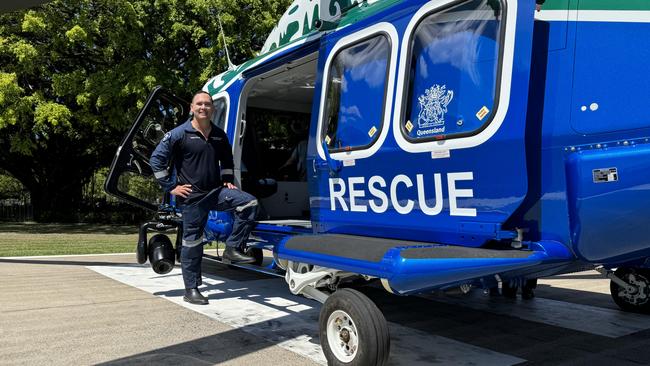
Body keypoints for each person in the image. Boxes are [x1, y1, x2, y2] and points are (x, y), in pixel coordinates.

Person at [150, 91, 259, 305]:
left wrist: (228, 179)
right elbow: (156, 161)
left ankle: (232, 248)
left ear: (213, 109)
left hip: (216, 192)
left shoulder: (219, 135)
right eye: (199, 104)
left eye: (207, 104)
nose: (203, 107)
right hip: (191, 197)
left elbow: (228, 160)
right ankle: (191, 289)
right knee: (193, 244)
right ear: (192, 108)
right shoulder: (179, 134)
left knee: (249, 202)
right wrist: (171, 187)